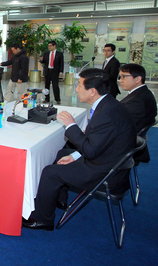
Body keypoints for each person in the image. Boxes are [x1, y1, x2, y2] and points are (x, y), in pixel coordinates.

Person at [22, 68, 136, 230]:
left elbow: (90, 151)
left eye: (80, 86)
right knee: (63, 153)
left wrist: (71, 125)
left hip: (107, 172)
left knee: (50, 172)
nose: (76, 89)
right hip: (109, 158)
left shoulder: (106, 114)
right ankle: (59, 198)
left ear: (92, 91)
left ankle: (43, 219)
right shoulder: (108, 104)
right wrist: (75, 156)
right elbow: (96, 142)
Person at [119, 63, 157, 162]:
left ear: (137, 79)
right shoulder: (140, 93)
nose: (120, 80)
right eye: (120, 77)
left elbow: (121, 126)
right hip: (129, 138)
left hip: (124, 145)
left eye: (124, 77)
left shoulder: (138, 100)